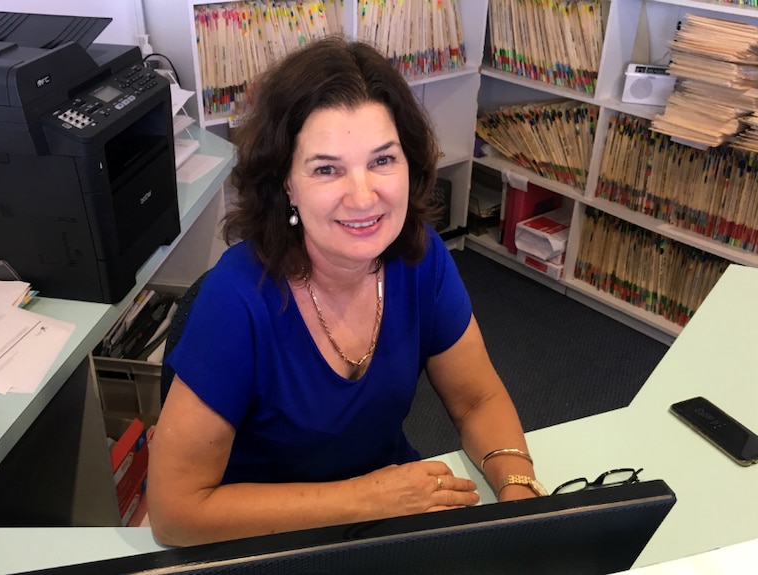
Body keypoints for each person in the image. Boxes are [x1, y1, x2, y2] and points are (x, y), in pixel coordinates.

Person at [147, 36, 541, 547]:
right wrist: (366, 498)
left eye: (382, 160)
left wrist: (522, 496)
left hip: (387, 516)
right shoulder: (235, 299)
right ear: (286, 182)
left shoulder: (420, 257)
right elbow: (176, 513)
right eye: (327, 169)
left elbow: (477, 400)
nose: (363, 196)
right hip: (268, 538)